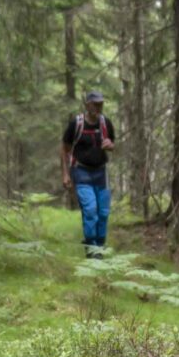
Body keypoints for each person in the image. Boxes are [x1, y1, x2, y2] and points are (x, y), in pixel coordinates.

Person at [62, 91, 120, 255]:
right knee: (90, 210)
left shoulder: (106, 123)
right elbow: (64, 148)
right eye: (95, 104)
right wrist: (65, 174)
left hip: (101, 172)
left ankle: (99, 246)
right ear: (87, 105)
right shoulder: (77, 124)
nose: (98, 107)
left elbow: (112, 144)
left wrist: (110, 146)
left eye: (100, 104)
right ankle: (92, 248)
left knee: (103, 213)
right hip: (81, 171)